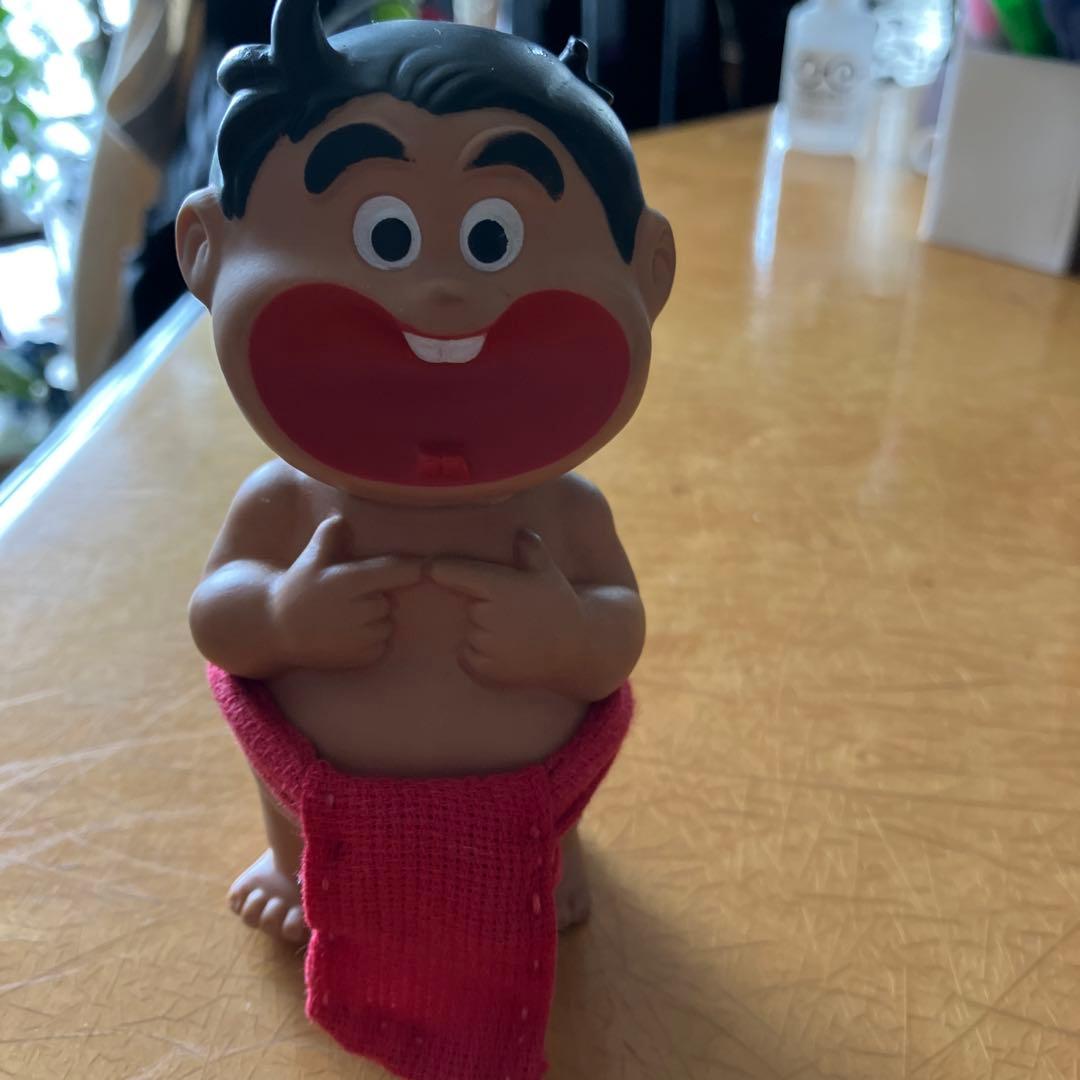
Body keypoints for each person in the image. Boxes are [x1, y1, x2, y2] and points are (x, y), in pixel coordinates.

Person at [176, 2, 674, 1075]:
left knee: (554, 819)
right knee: (288, 799)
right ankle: (295, 864)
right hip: (320, 789)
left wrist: (565, 636)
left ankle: (553, 857)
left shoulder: (566, 512)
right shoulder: (285, 501)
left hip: (528, 796)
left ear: (648, 275)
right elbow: (218, 618)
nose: (443, 296)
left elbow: (617, 634)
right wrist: (282, 616)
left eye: (495, 239)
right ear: (205, 250)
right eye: (384, 237)